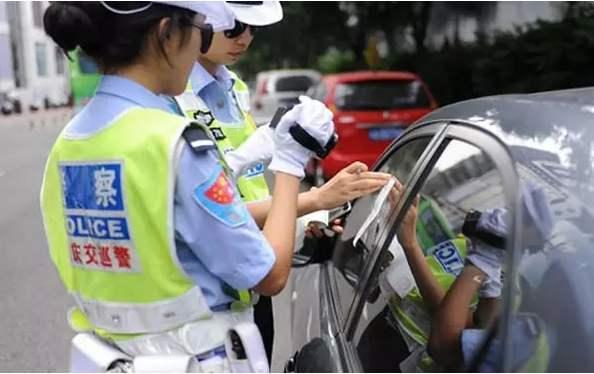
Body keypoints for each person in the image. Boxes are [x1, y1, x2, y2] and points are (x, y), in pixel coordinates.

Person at [39, 2, 340, 370]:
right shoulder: (173, 144)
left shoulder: (67, 145)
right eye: (200, 28)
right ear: (168, 33)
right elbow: (270, 274)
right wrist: (291, 161)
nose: (200, 42)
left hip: (112, 357)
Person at [170, 0, 392, 360]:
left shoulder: (234, 88)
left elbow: (250, 186)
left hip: (253, 282)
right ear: (201, 20)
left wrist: (300, 224)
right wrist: (314, 198)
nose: (245, 39)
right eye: (235, 27)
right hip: (212, 296)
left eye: (253, 30)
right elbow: (206, 209)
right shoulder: (173, 99)